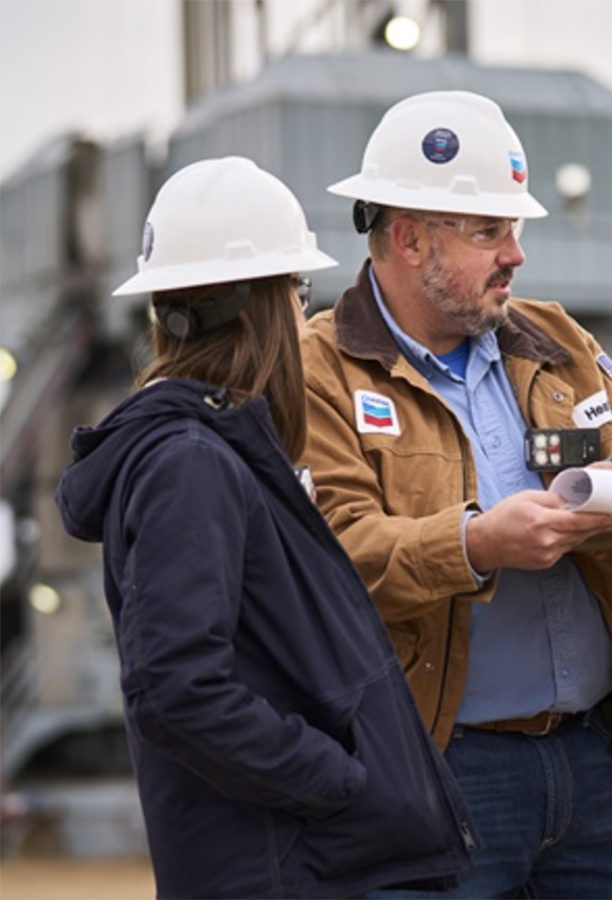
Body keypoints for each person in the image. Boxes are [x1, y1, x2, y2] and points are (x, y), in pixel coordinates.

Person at [300, 90, 612, 900]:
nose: (515, 256)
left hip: (592, 765)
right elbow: (332, 556)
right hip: (438, 765)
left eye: (514, 231)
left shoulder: (558, 340)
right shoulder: (319, 371)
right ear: (410, 239)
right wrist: (476, 544)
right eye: (489, 232)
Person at [55, 156, 477, 900]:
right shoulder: (191, 462)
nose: (302, 310)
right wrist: (338, 779)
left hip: (307, 863)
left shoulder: (219, 453)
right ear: (267, 303)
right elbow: (177, 687)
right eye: (298, 289)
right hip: (294, 868)